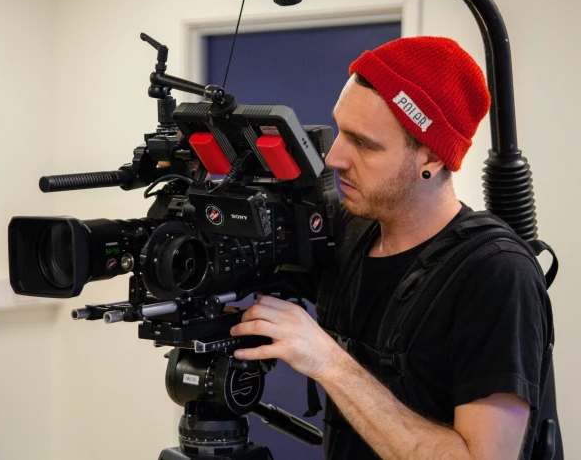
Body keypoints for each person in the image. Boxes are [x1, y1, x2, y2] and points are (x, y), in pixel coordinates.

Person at [229, 36, 562, 460]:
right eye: (340, 130)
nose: (335, 157)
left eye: (364, 143)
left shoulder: (495, 276)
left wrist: (330, 362)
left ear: (432, 158)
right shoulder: (351, 232)